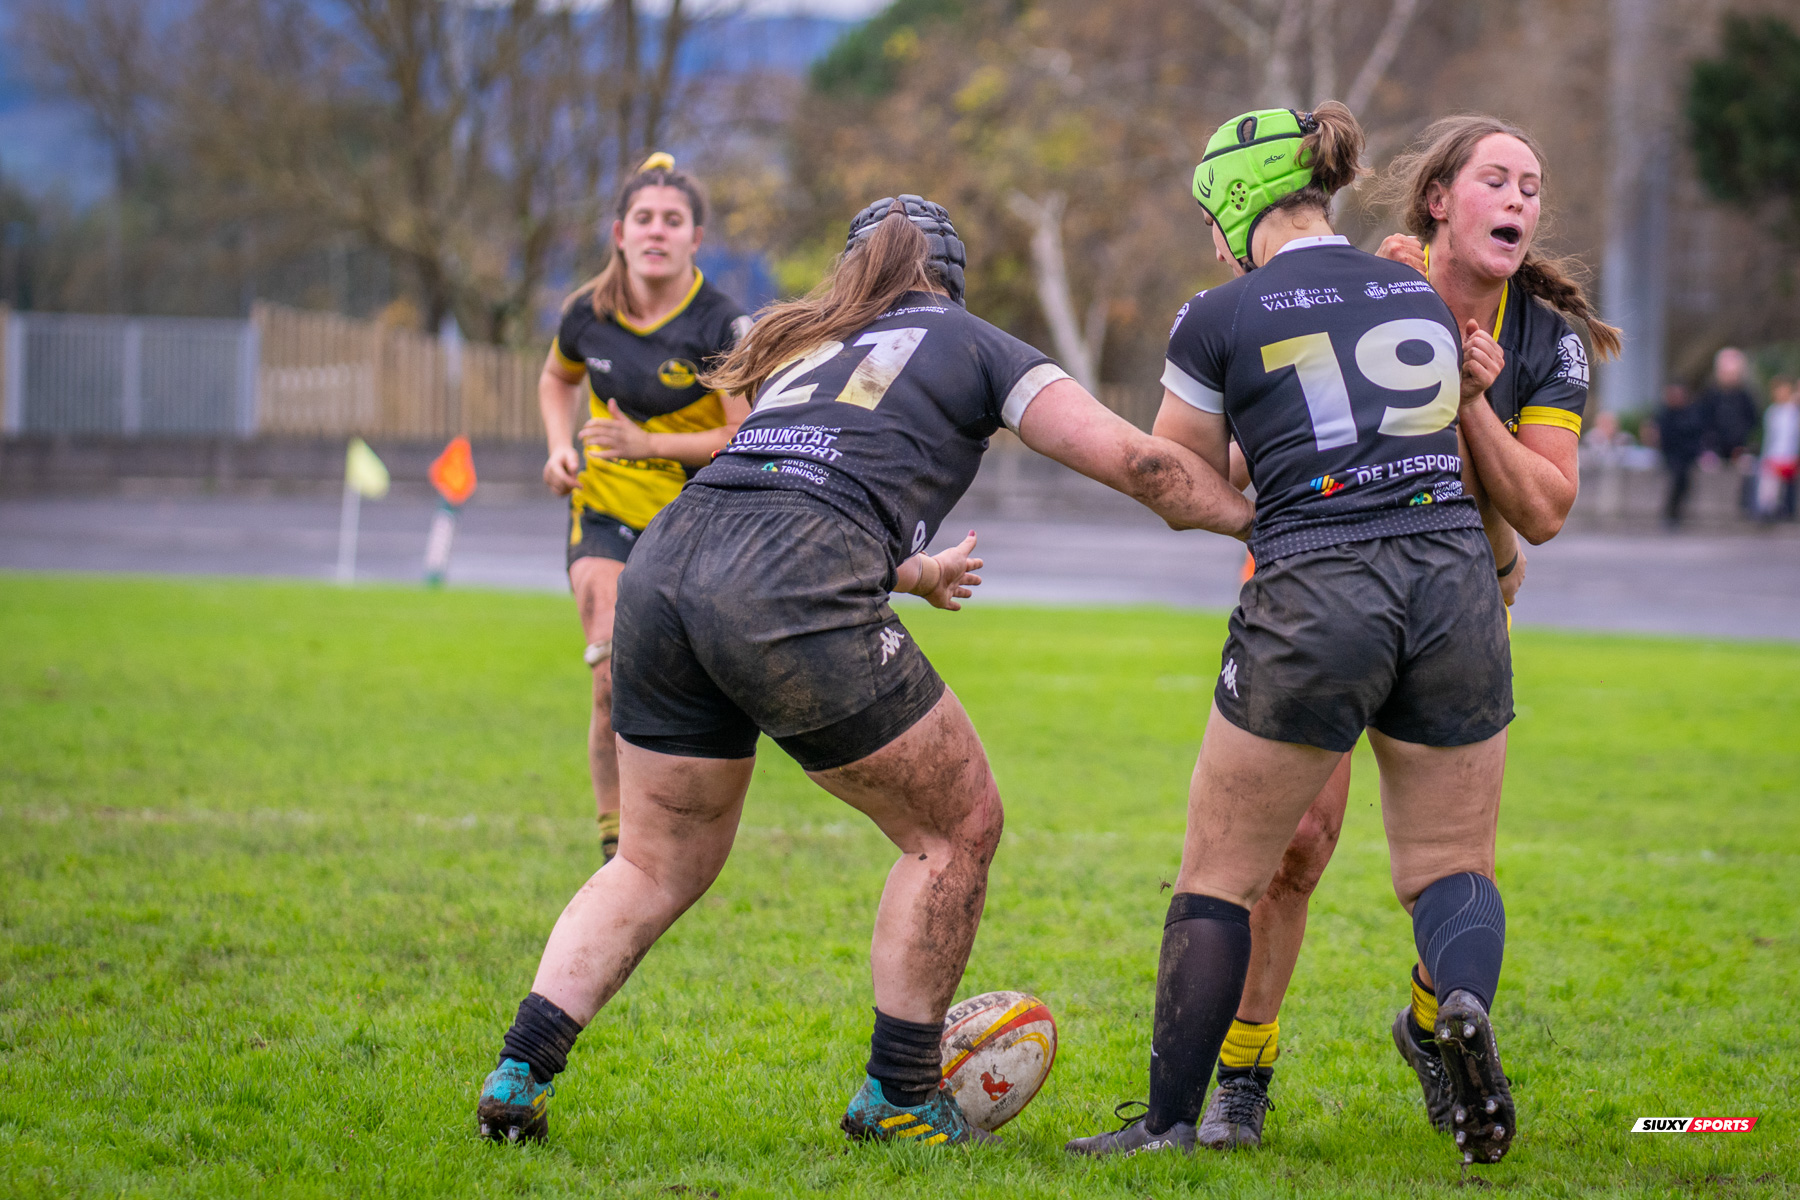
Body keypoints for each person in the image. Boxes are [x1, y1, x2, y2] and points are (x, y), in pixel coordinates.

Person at [476, 196, 1255, 1147]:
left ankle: (521, 1069)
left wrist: (910, 571)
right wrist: (1268, 517)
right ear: (952, 280)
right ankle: (898, 1095)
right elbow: (1142, 465)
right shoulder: (974, 343)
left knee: (651, 861)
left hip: (667, 566)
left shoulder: (805, 345)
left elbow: (783, 495)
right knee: (956, 828)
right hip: (786, 580)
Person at [1065, 103, 1518, 1169]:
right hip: (1452, 575)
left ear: (1234, 205)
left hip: (1318, 585)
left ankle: (1170, 1121)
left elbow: (1177, 479)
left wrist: (1253, 511)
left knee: (1220, 871)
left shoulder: (1216, 313)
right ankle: (1454, 1003)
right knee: (1451, 862)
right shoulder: (1409, 286)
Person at [1184, 113, 1623, 1151]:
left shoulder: (1543, 341)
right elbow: (1248, 457)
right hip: (1316, 598)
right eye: (1498, 180)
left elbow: (1544, 508)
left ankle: (1437, 1025)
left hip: (1457, 600)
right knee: (1295, 846)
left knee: (1451, 861)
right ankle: (1243, 1073)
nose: (1520, 200)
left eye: (1533, 185)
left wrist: (1468, 399)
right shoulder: (1361, 282)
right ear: (1438, 201)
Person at [538, 153, 751, 861]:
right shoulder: (586, 314)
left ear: (696, 237)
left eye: (673, 220)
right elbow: (555, 378)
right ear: (619, 232)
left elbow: (743, 437)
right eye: (644, 219)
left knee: (671, 683)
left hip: (691, 521)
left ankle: (671, 818)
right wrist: (558, 447)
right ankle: (614, 840)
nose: (656, 231)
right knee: (607, 669)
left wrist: (644, 439)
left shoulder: (720, 325)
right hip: (603, 510)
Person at [1653, 382, 1707, 528]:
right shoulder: (1665, 415)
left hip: (1688, 455)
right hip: (1670, 455)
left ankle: (1675, 513)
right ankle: (1671, 513)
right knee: (1677, 475)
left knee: (1683, 477)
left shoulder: (1691, 413)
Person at [1755, 377, 1798, 521]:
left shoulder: (1794, 412)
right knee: (1769, 485)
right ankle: (1767, 510)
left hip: (1791, 456)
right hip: (1774, 455)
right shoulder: (1772, 412)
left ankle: (1787, 511)